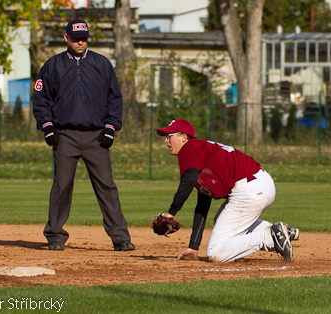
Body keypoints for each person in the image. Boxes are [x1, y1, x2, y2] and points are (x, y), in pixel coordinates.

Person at [33, 19, 135, 252]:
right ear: (66, 38)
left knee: (106, 186)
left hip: (96, 136)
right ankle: (55, 236)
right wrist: (47, 126)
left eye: (84, 38)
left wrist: (111, 127)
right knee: (62, 186)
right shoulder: (52, 65)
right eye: (76, 37)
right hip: (65, 135)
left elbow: (114, 98)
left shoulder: (102, 64)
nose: (81, 41)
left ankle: (120, 238)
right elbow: (41, 99)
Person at [156, 119, 297, 262]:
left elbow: (189, 178)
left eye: (169, 136)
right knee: (220, 219)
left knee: (216, 252)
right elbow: (202, 205)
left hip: (248, 190)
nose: (166, 141)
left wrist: (171, 212)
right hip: (261, 183)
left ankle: (270, 237)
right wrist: (194, 246)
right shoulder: (201, 150)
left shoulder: (189, 148)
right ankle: (278, 231)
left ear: (183, 137)